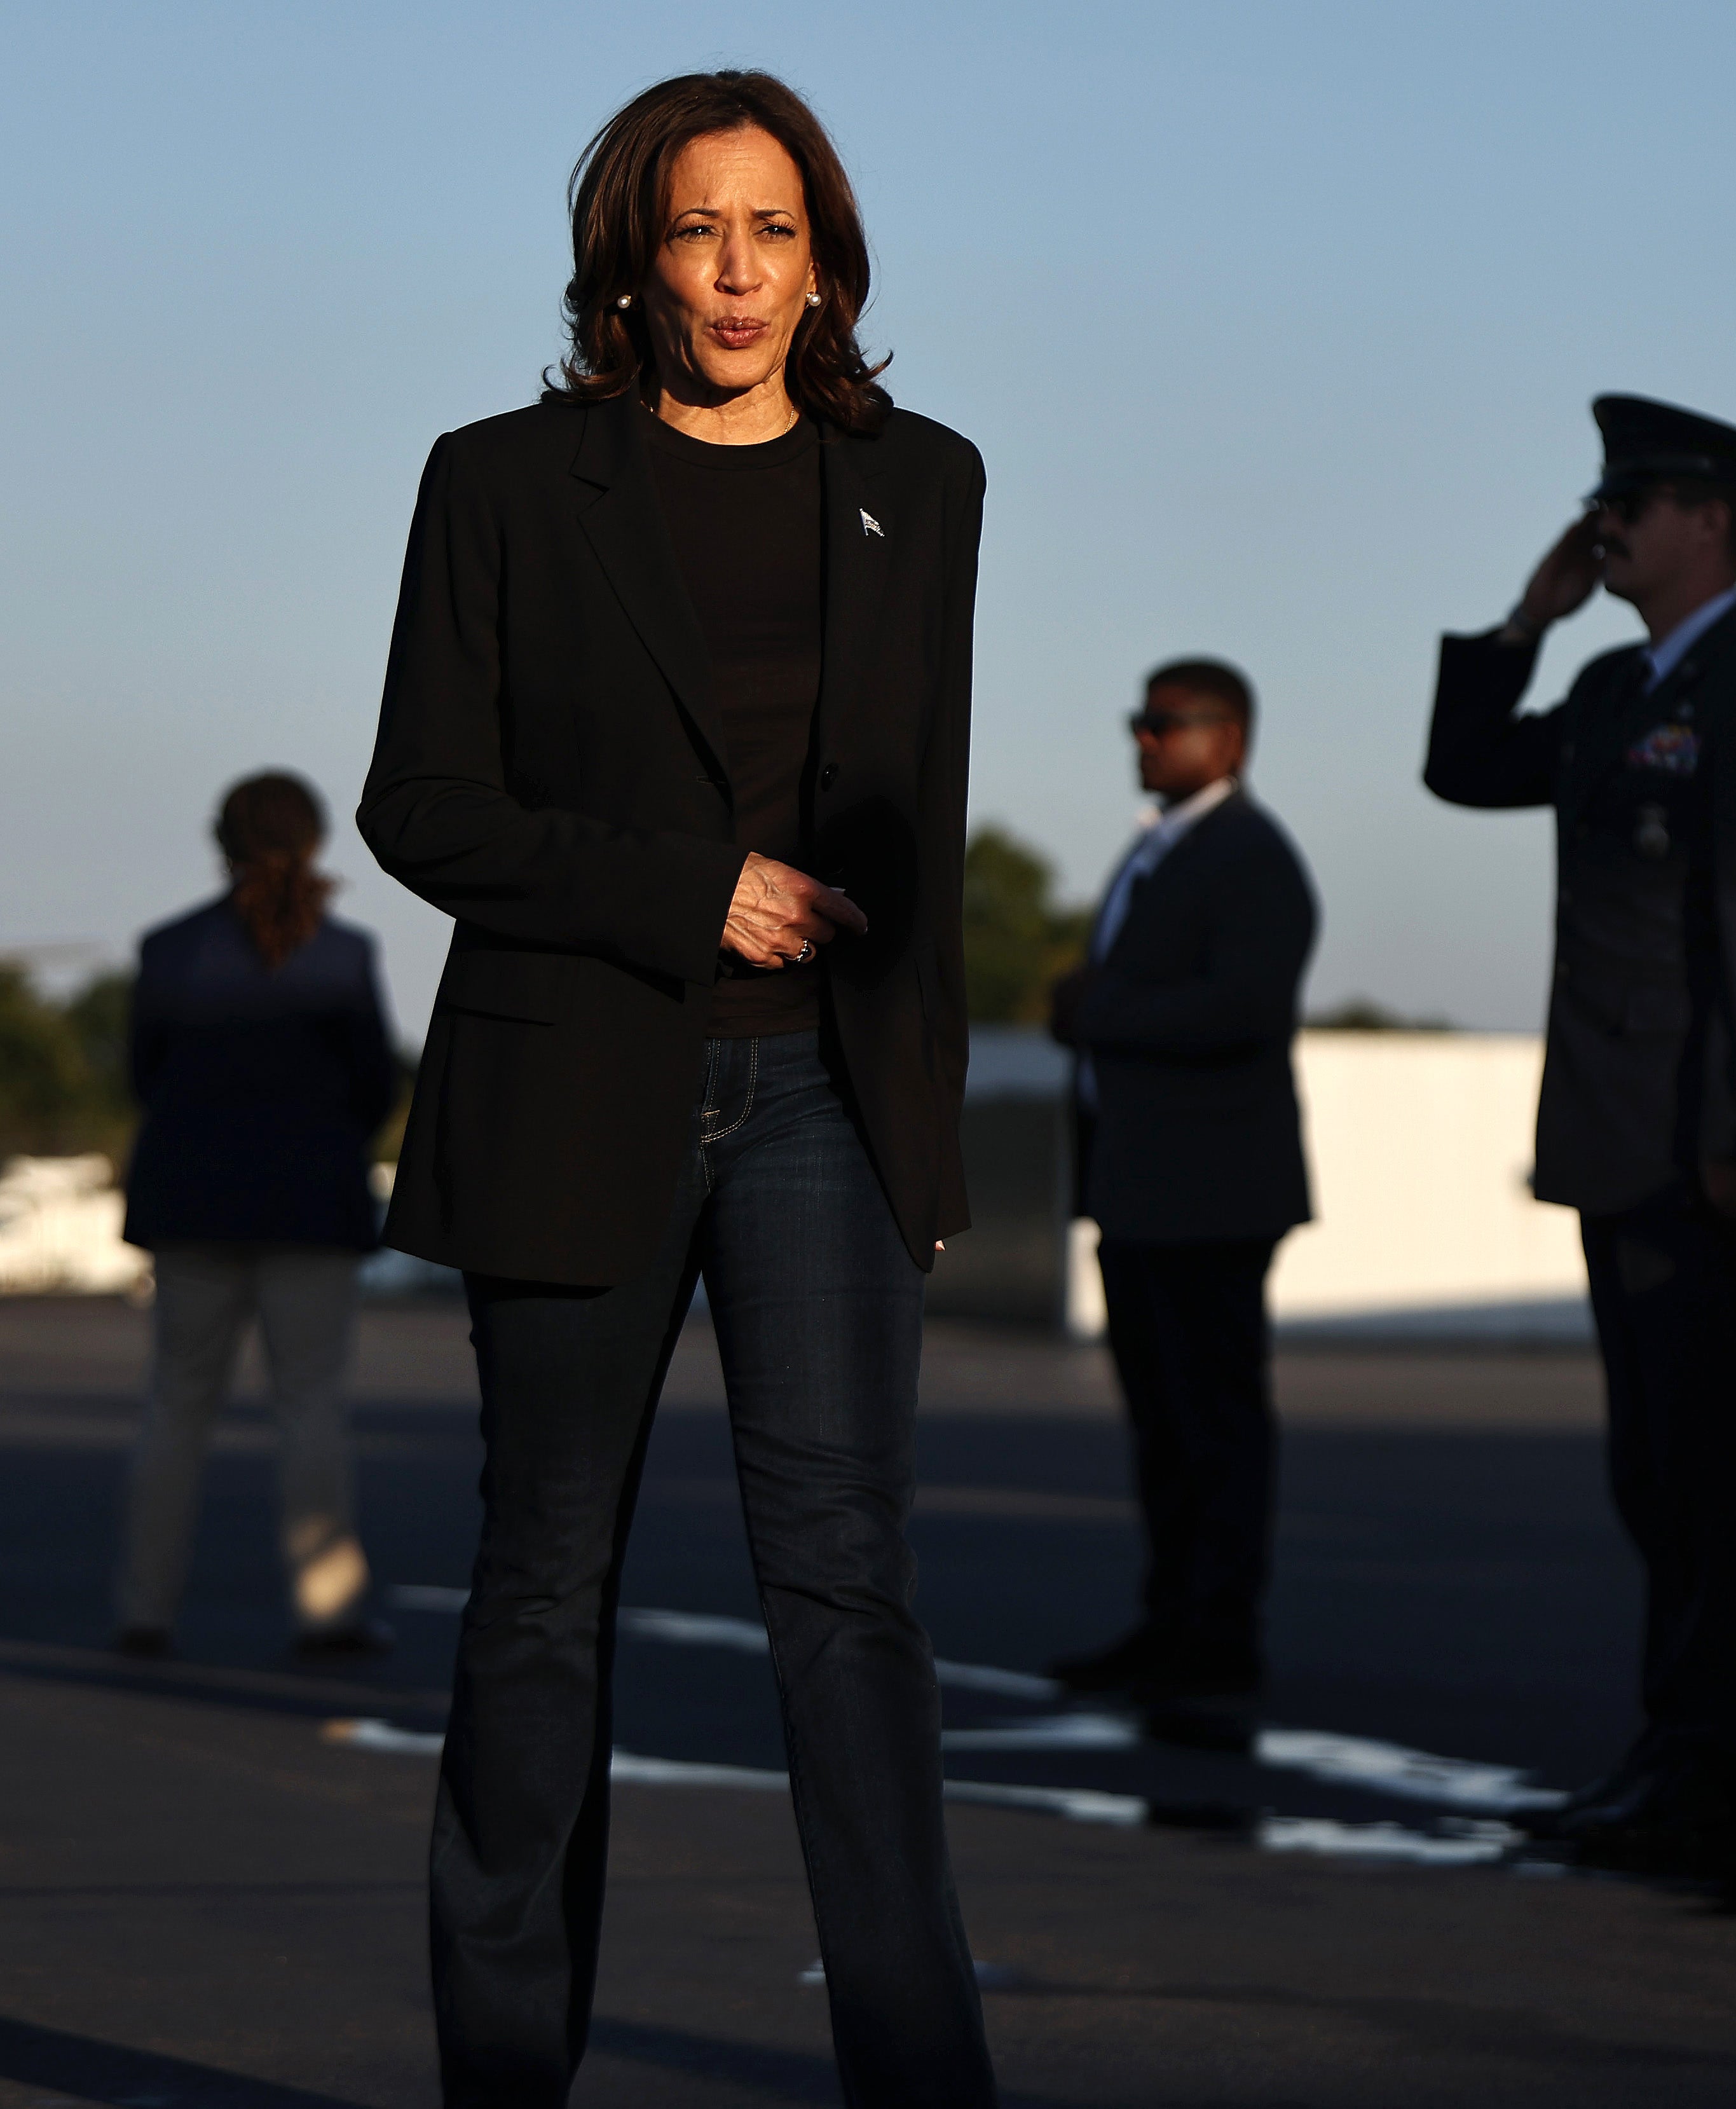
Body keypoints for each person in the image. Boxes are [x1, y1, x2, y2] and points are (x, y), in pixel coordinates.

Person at [357, 72, 994, 2105]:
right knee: (543, 1595)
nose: (738, 272)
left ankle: (919, 2072)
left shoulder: (928, 482)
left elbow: (920, 829)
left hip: (823, 1106)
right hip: (574, 1092)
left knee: (850, 1601)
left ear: (826, 258)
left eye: (776, 230)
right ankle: (507, 2075)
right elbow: (420, 803)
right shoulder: (503, 481)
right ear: (632, 247)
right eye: (700, 227)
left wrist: (921, 1122)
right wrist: (686, 886)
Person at [1423, 395, 1736, 1881]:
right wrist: (1522, 621)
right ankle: (1664, 1751)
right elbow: (1463, 767)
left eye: (1634, 502)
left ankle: (1710, 1776)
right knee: (1650, 1472)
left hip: (1702, 1150)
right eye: (1602, 499)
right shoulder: (1610, 685)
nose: (1605, 522)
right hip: (1617, 1139)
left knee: (1711, 1478)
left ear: (1709, 522)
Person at [1044, 659, 1316, 1743]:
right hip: (1144, 1188)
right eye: (1140, 722)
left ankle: (1217, 1633)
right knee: (1164, 1425)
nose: (1144, 741)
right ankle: (1170, 1621)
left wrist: (1099, 1009)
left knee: (1213, 1422)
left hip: (1212, 1190)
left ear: (1230, 738)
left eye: (1165, 724)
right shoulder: (1164, 847)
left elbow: (1244, 1005)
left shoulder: (1249, 854)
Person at [113, 771, 397, 1662]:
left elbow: (143, 1078)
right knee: (311, 1409)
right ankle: (328, 1611)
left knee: (176, 1408)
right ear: (313, 840)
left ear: (222, 841)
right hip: (309, 1206)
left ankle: (144, 1609)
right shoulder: (344, 955)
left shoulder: (168, 950)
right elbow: (374, 1087)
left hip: (191, 1203)